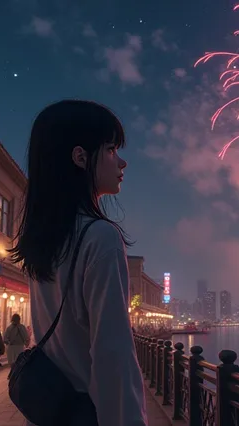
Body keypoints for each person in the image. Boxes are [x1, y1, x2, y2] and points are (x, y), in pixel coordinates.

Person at [9, 100, 146, 425]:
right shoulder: (100, 237)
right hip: (88, 412)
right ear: (81, 157)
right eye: (112, 149)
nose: (122, 162)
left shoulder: (45, 240)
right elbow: (113, 355)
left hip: (53, 410)